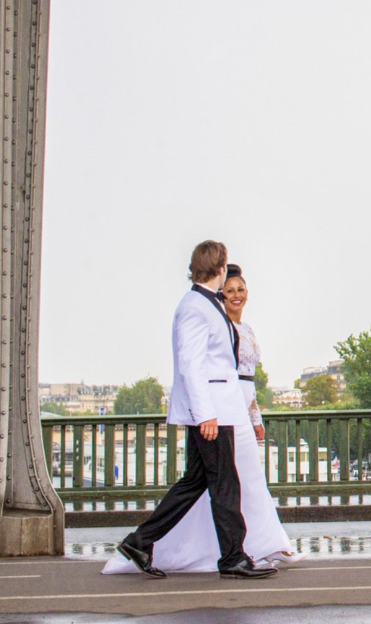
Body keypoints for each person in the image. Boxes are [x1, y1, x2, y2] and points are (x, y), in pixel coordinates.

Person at [107, 241, 277, 580]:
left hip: (218, 410)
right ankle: (232, 557)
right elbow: (191, 365)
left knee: (196, 482)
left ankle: (140, 541)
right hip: (213, 413)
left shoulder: (203, 304)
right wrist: (206, 415)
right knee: (225, 485)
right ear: (219, 268)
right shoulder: (195, 308)